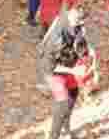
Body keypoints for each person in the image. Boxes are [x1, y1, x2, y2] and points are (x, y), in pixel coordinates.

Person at [36, 8, 94, 139]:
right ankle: (54, 135)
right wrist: (74, 70)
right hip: (53, 70)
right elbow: (51, 67)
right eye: (79, 24)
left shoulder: (74, 26)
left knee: (73, 94)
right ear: (71, 21)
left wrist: (90, 53)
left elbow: (81, 44)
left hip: (67, 63)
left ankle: (65, 127)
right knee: (62, 103)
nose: (82, 27)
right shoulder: (55, 40)